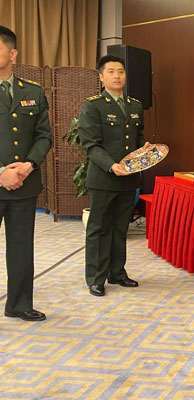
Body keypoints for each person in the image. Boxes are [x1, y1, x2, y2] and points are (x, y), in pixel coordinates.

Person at [78, 54, 148, 297]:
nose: (116, 75)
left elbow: (137, 138)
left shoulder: (135, 105)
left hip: (128, 179)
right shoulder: (93, 105)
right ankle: (96, 278)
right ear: (101, 76)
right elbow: (90, 144)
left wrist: (145, 150)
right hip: (103, 178)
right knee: (98, 228)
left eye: (120, 71)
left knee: (120, 228)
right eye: (111, 71)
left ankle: (117, 273)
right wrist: (112, 165)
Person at [0, 25, 52, 322]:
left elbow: (44, 135)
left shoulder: (32, 91)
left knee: (21, 248)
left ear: (13, 53)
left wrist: (28, 166)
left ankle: (18, 304)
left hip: (24, 183)